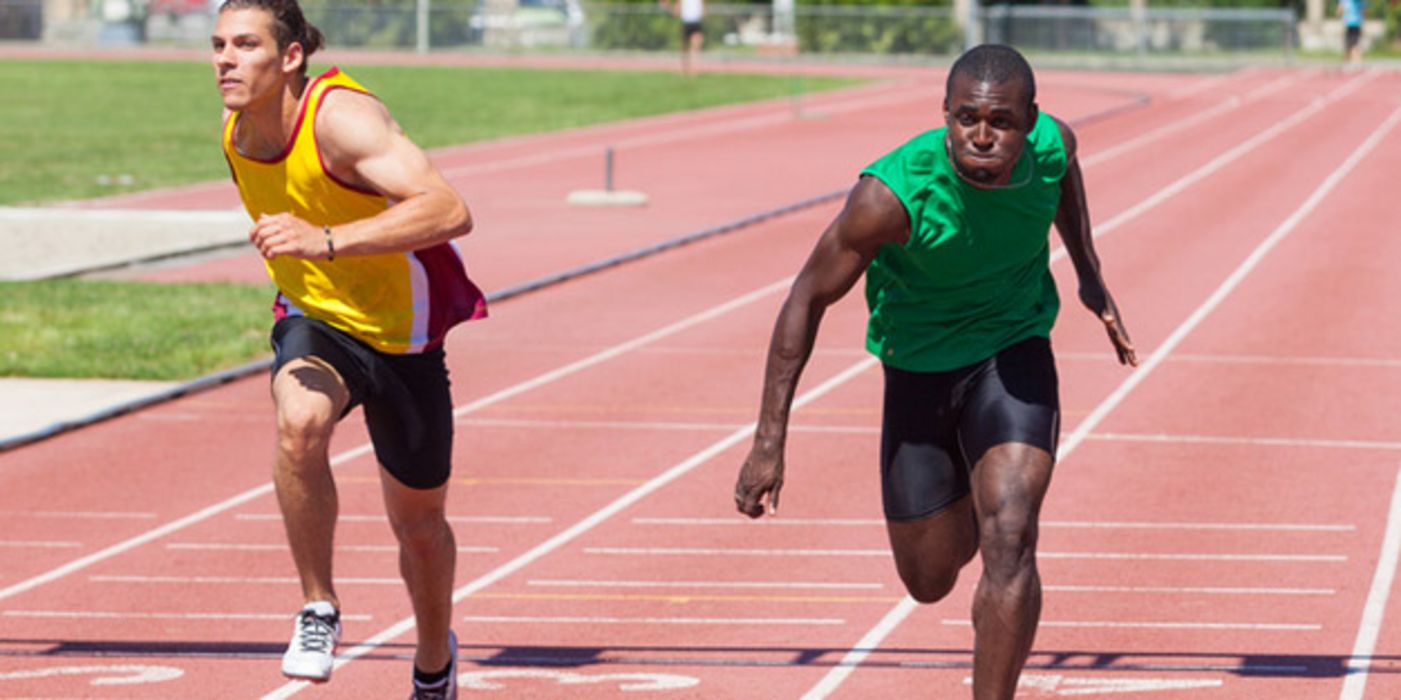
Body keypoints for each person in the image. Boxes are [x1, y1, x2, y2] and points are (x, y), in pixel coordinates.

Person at [733, 44, 1136, 699]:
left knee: (1010, 535)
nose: (981, 136)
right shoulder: (888, 198)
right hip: (918, 370)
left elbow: (1064, 182)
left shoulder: (1052, 146)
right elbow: (804, 297)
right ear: (945, 115)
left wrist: (1091, 280)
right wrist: (767, 443)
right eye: (965, 118)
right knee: (928, 579)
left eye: (1000, 122)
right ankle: (969, 498)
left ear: (1028, 121)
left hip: (1012, 350)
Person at [212, 1, 487, 697]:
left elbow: (449, 209)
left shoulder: (343, 119)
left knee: (420, 528)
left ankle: (432, 663)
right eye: (218, 45)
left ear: (292, 56)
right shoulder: (238, 131)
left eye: (245, 45)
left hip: (405, 337)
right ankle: (318, 605)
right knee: (298, 421)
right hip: (316, 320)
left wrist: (326, 240)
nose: (224, 60)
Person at [660, 0, 704, 77]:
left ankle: (694, 70)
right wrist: (667, 7)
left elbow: (703, 10)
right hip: (687, 23)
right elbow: (676, 12)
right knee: (685, 49)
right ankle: (686, 70)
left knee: (695, 47)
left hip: (696, 23)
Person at [1337, 0, 1365, 67]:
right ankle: (1350, 60)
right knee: (1349, 44)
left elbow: (1363, 11)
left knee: (1354, 44)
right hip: (1349, 24)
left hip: (1355, 23)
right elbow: (1340, 10)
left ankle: (1356, 60)